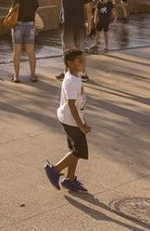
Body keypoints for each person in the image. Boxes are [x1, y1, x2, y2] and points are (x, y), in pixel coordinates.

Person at [43, 49, 90, 194]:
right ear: (70, 63)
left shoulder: (75, 76)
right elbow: (71, 104)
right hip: (72, 121)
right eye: (79, 60)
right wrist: (81, 125)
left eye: (83, 59)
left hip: (71, 119)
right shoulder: (71, 81)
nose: (83, 62)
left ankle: (69, 179)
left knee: (74, 151)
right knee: (79, 151)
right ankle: (54, 170)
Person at [48, 0, 94, 81]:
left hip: (67, 25)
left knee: (66, 49)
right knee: (81, 49)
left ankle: (66, 72)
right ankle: (83, 74)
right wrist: (89, 25)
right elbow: (88, 11)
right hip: (79, 25)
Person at [11, 0, 39, 82]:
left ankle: (16, 76)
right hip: (30, 25)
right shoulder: (34, 1)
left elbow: (11, 13)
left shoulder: (17, 0)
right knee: (31, 52)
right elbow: (34, 13)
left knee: (17, 52)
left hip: (18, 25)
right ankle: (32, 75)